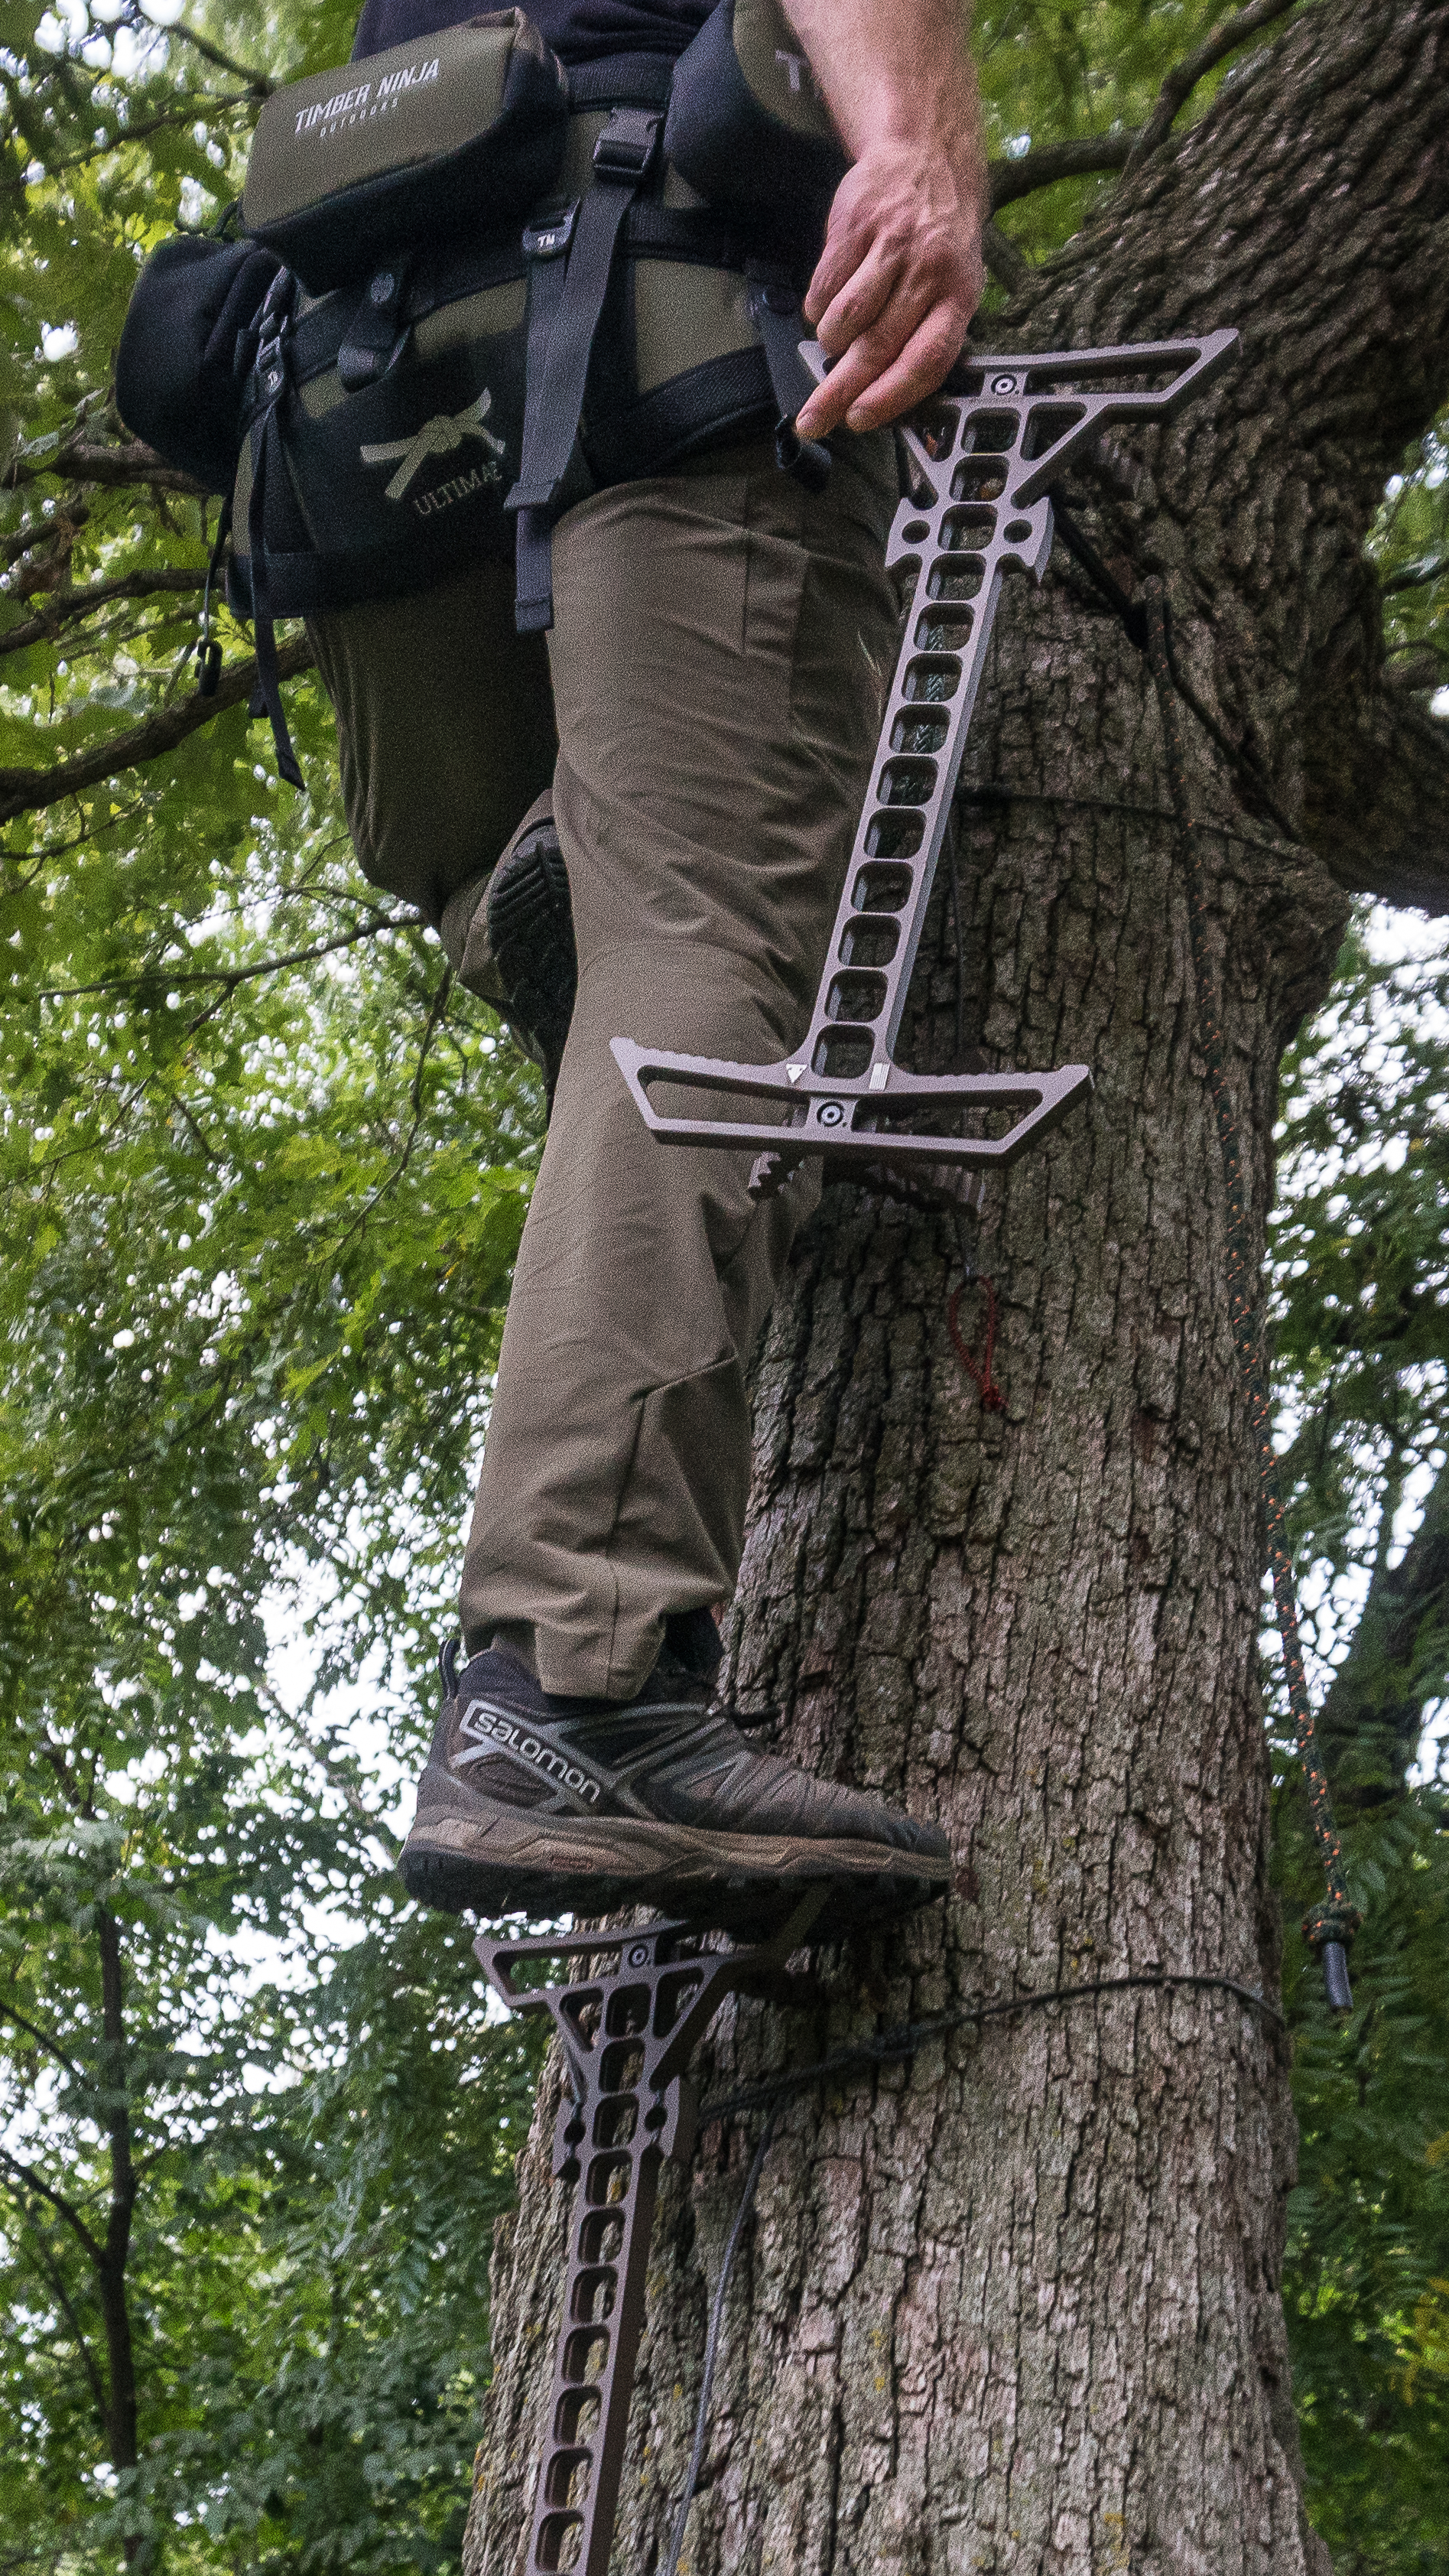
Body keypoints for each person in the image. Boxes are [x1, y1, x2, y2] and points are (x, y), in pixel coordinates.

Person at [314, 0, 989, 1924]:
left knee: (565, 900)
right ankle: (576, 1680)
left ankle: (547, 888)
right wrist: (913, 155)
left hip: (375, 399)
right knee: (705, 950)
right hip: (663, 330)